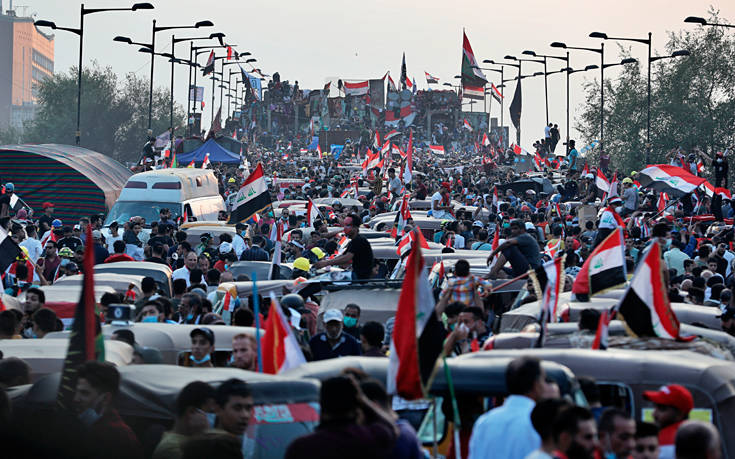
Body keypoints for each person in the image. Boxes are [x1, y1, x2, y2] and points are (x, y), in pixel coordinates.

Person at [285, 375, 398, 459]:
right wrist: (363, 399)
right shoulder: (371, 438)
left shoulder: (301, 448)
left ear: (322, 406)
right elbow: (391, 427)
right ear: (357, 407)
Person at [468, 356, 547, 459]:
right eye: (544, 380)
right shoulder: (539, 424)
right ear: (536, 385)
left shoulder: (484, 422)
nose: (545, 386)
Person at [73, 361, 143, 459]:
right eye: (76, 392)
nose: (76, 399)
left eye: (84, 393)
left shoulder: (114, 437)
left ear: (105, 398)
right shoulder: (98, 429)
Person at [152, 381, 216, 459]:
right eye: (210, 412)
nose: (214, 417)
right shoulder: (171, 449)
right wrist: (204, 435)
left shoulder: (186, 441)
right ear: (191, 412)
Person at [314, 214, 374, 281]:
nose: (345, 228)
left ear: (355, 227)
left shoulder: (359, 240)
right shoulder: (353, 241)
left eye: (348, 225)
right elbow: (342, 255)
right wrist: (327, 261)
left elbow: (347, 258)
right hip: (357, 274)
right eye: (344, 225)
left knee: (323, 279)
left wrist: (326, 263)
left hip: (359, 276)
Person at [643, 384, 693, 459]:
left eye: (661, 408)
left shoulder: (660, 441)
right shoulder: (697, 437)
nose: (653, 414)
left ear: (679, 414)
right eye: (654, 406)